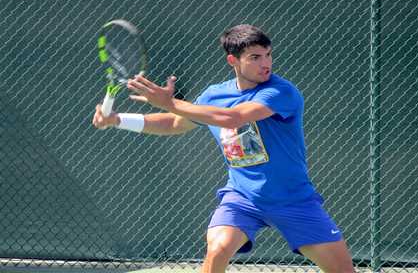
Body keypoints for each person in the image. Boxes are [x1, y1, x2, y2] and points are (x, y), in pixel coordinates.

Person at [92, 24, 355, 273]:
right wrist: (117, 120)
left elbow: (233, 118)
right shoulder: (214, 95)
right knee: (217, 249)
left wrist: (169, 102)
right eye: (254, 57)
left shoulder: (281, 92)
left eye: (268, 55)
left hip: (293, 200)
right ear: (233, 61)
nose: (265, 63)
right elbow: (174, 123)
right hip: (242, 198)